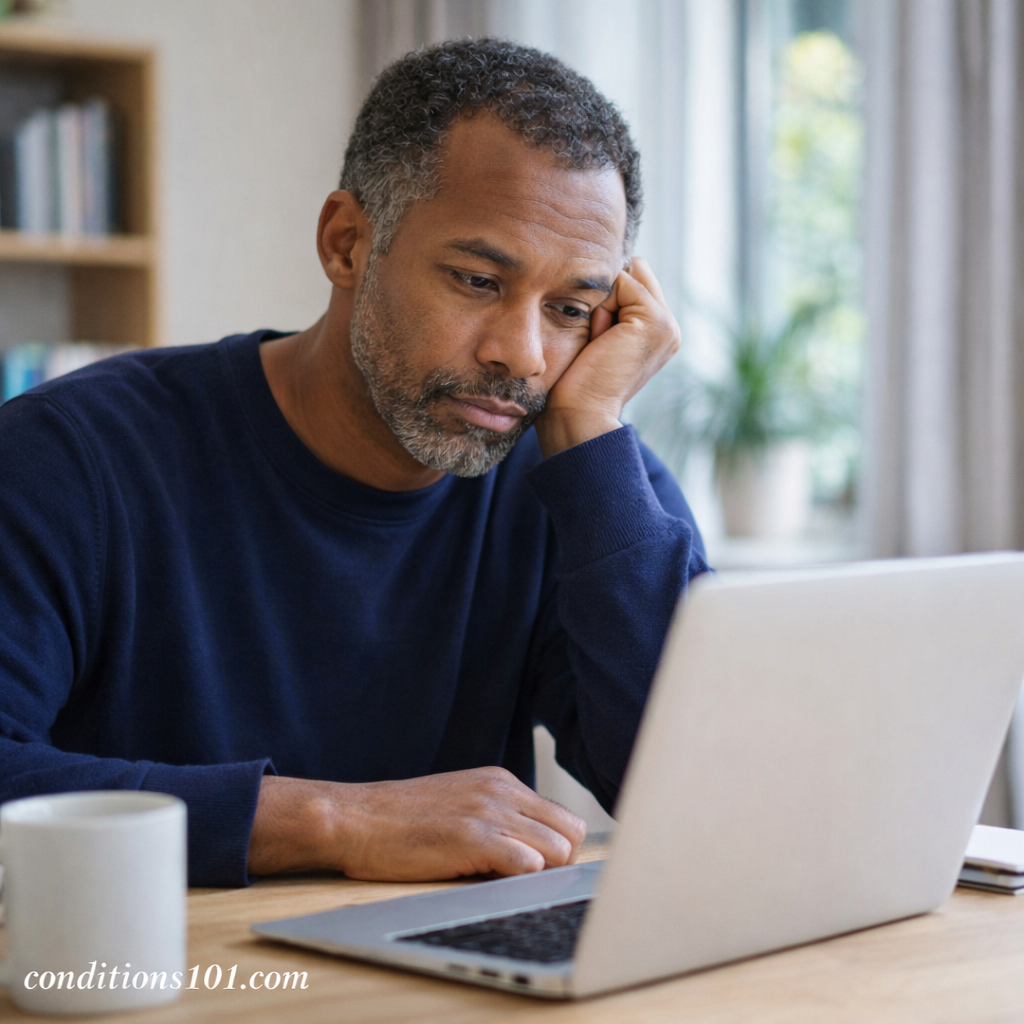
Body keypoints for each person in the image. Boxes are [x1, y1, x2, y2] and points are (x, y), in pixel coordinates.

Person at [0, 40, 708, 887]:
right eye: (478, 280)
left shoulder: (582, 477)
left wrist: (595, 430)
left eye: (569, 309)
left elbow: (695, 793)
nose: (521, 356)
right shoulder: (69, 458)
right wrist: (331, 817)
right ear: (346, 243)